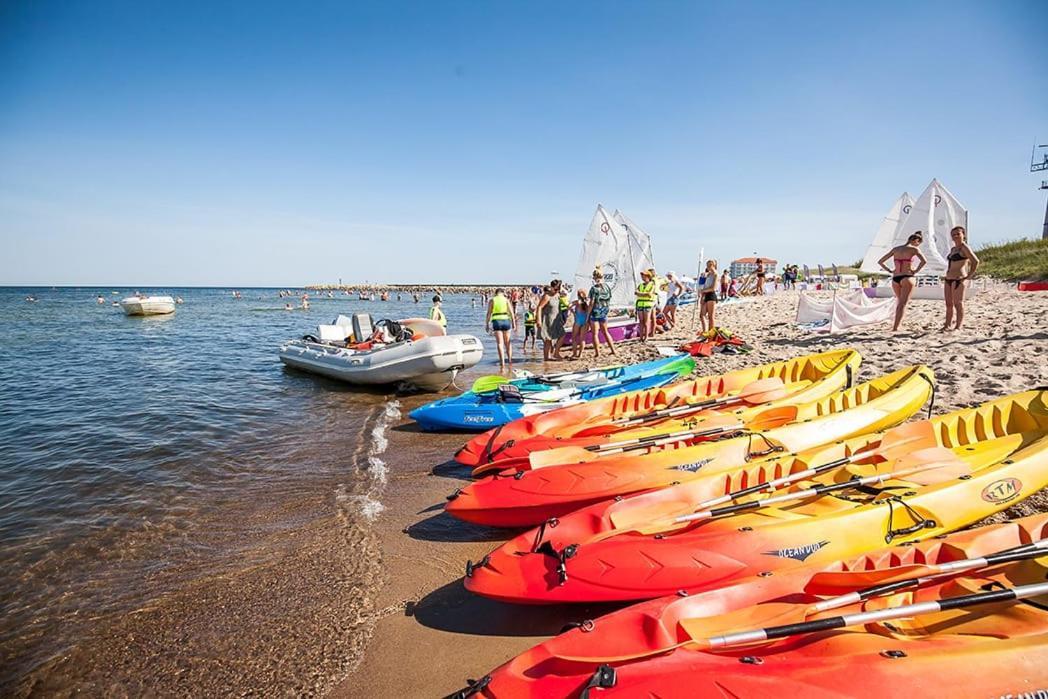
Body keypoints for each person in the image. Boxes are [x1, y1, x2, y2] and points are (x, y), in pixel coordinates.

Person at [877, 231, 927, 331]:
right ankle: (896, 327)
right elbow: (924, 261)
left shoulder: (896, 249)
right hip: (907, 276)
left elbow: (880, 262)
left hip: (895, 278)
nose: (918, 245)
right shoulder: (914, 249)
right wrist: (916, 270)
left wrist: (889, 270)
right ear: (916, 240)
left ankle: (898, 324)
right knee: (902, 304)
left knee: (900, 302)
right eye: (918, 243)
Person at [942, 226, 980, 331]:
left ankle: (958, 326)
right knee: (948, 304)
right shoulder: (953, 249)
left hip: (959, 278)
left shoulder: (965, 247)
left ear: (963, 235)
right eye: (953, 234)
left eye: (958, 234)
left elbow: (975, 261)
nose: (956, 236)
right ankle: (947, 324)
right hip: (948, 278)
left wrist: (969, 275)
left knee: (958, 303)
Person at [586, 268, 616, 358]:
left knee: (595, 334)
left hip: (595, 312)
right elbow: (609, 298)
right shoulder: (607, 287)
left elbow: (591, 303)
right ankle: (613, 350)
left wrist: (588, 314)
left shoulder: (594, 289)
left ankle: (597, 353)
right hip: (604, 312)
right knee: (605, 332)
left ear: (594, 277)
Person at [486, 288, 516, 367]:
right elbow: (512, 312)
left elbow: (489, 313)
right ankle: (509, 360)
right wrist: (514, 323)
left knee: (500, 343)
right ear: (502, 293)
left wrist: (487, 324)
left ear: (496, 293)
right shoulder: (506, 300)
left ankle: (502, 362)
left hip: (496, 321)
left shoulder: (492, 300)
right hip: (506, 320)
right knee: (508, 342)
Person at [535, 285, 565, 361]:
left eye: (558, 289)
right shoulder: (546, 296)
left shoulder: (557, 295)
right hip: (547, 320)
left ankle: (556, 353)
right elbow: (539, 307)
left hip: (556, 320)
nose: (556, 291)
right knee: (547, 340)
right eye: (555, 289)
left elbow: (559, 307)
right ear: (551, 288)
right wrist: (538, 319)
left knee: (562, 335)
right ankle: (546, 358)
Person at [634, 269, 657, 341]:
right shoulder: (640, 285)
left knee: (646, 321)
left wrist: (640, 294)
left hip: (648, 304)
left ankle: (646, 337)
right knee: (641, 321)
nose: (642, 277)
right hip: (640, 304)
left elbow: (649, 294)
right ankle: (641, 337)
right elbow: (636, 292)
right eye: (642, 276)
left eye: (643, 275)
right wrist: (644, 294)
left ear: (647, 276)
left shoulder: (652, 284)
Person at [570, 289, 590, 359]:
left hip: (578, 321)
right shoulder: (587, 302)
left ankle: (574, 354)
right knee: (582, 339)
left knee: (574, 338)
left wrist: (573, 312)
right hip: (585, 321)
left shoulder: (577, 302)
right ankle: (580, 354)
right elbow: (590, 311)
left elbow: (569, 306)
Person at [700, 259, 719, 332]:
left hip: (711, 295)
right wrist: (702, 295)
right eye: (707, 265)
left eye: (710, 265)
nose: (709, 266)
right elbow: (702, 286)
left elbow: (713, 288)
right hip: (705, 295)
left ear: (714, 265)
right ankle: (705, 332)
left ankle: (711, 333)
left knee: (711, 317)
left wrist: (703, 291)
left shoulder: (716, 275)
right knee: (702, 315)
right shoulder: (707, 274)